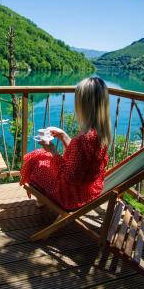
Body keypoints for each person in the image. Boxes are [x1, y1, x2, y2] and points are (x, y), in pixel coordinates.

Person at [20, 77, 111, 210]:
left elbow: (69, 177)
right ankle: (41, 197)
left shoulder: (84, 138)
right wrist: (64, 136)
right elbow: (79, 160)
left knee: (36, 162)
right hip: (90, 189)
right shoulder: (100, 133)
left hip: (71, 196)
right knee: (40, 155)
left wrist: (52, 150)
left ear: (83, 105)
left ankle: (41, 199)